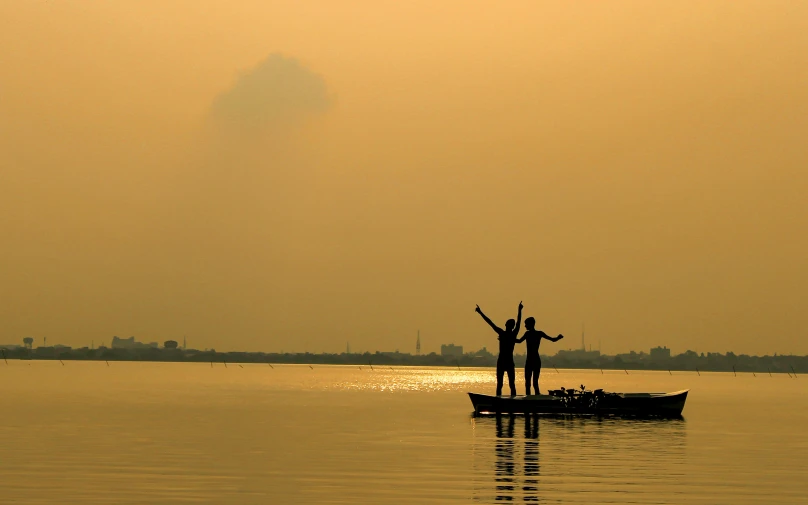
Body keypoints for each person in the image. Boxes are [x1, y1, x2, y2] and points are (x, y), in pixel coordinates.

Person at [475, 302, 523, 396]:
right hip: (505, 361)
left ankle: (503, 400)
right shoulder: (510, 334)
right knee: (507, 384)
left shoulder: (504, 334)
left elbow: (490, 322)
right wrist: (519, 310)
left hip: (504, 361)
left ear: (506, 325)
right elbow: (518, 323)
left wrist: (480, 312)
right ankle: (504, 400)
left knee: (504, 384)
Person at [516, 317, 564, 395]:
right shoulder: (537, 333)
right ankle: (532, 398)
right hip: (534, 360)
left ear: (531, 324)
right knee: (533, 383)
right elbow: (553, 340)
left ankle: (533, 398)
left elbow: (518, 341)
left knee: (530, 383)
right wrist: (558, 337)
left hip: (532, 360)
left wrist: (507, 338)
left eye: (526, 324)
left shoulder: (529, 334)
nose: (525, 326)